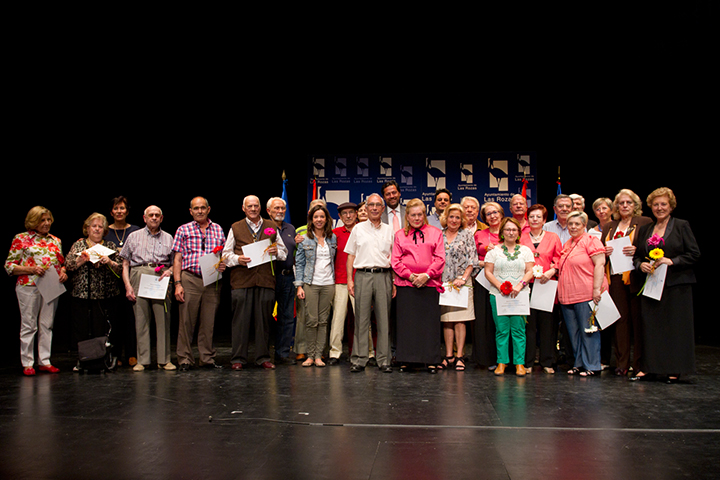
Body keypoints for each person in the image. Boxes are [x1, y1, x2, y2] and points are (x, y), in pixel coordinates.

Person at [632, 188, 700, 383]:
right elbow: (637, 256)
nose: (659, 208)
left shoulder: (681, 225)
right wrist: (640, 264)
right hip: (652, 285)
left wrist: (672, 261)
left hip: (676, 285)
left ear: (671, 206)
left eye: (663, 204)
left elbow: (694, 254)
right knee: (651, 327)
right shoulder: (646, 229)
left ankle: (675, 368)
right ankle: (650, 367)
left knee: (675, 328)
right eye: (655, 204)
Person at [223, 195, 287, 371]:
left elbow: (284, 253)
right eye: (249, 206)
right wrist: (238, 259)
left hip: (265, 280)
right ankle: (238, 358)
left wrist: (276, 251)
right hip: (242, 280)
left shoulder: (271, 226)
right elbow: (226, 255)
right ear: (243, 208)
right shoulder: (235, 227)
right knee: (240, 321)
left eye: (256, 205)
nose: (253, 209)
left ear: (260, 208)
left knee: (264, 321)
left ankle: (263, 357)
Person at [5, 206, 67, 376]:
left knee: (47, 324)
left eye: (48, 220)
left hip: (50, 285)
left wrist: (63, 272)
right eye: (42, 220)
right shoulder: (21, 238)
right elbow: (9, 266)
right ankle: (27, 362)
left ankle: (44, 361)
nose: (46, 223)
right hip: (28, 285)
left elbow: (61, 263)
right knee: (29, 324)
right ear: (33, 222)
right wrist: (31, 269)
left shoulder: (55, 240)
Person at [171, 197, 226, 371]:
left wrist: (223, 263)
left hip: (212, 279)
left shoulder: (217, 229)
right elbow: (177, 259)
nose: (200, 211)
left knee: (208, 321)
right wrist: (178, 283)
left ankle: (207, 358)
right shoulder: (183, 229)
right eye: (196, 208)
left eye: (203, 208)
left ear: (209, 209)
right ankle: (185, 359)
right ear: (191, 211)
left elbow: (223, 254)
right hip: (190, 277)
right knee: (186, 320)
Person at [601, 189, 651, 377]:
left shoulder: (644, 222)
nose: (624, 206)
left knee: (638, 321)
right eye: (621, 203)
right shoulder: (609, 226)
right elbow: (600, 249)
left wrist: (637, 249)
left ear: (635, 205)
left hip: (637, 276)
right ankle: (622, 363)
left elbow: (652, 246)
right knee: (620, 322)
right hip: (614, 277)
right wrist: (604, 251)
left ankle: (639, 364)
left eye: (628, 203)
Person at [392, 199, 445, 373]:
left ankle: (430, 359)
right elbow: (396, 261)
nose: (416, 218)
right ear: (407, 216)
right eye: (413, 215)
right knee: (407, 324)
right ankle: (407, 359)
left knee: (429, 325)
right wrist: (411, 276)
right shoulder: (400, 235)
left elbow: (440, 258)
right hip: (406, 285)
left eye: (419, 214)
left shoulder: (435, 232)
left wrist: (426, 275)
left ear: (424, 215)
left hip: (429, 284)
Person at [120, 205, 175, 372]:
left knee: (162, 319)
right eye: (150, 215)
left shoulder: (168, 237)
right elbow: (125, 263)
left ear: (162, 218)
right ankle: (143, 360)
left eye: (157, 215)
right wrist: (128, 285)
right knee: (141, 319)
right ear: (144, 218)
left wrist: (170, 272)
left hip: (161, 275)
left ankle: (164, 360)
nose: (154, 217)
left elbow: (175, 262)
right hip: (139, 272)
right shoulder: (133, 236)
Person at [65, 213, 122, 372]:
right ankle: (83, 360)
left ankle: (102, 360)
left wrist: (109, 261)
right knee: (82, 330)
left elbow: (120, 269)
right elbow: (68, 265)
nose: (97, 229)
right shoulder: (79, 245)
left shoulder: (110, 246)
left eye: (100, 226)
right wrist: (81, 260)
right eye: (94, 226)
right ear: (87, 228)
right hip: (82, 295)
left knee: (102, 330)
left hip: (106, 295)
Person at [345, 193, 394, 373]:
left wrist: (394, 282)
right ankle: (359, 359)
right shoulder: (357, 229)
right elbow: (350, 255)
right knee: (361, 319)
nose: (374, 208)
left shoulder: (389, 230)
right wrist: (350, 280)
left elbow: (394, 258)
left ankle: (384, 360)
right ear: (366, 208)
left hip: (384, 276)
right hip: (363, 276)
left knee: (383, 320)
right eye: (370, 205)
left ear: (383, 208)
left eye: (377, 205)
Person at [557, 211, 608, 377]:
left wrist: (596, 290)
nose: (573, 227)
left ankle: (592, 365)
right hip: (567, 295)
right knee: (573, 333)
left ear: (584, 225)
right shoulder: (568, 243)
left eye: (577, 224)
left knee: (589, 331)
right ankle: (579, 364)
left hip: (586, 293)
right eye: (570, 224)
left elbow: (600, 265)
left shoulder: (592, 241)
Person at [484, 217, 534, 376]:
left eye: (514, 230)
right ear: (502, 232)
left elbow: (530, 271)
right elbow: (488, 272)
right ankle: (502, 362)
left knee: (519, 330)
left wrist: (520, 285)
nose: (511, 232)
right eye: (507, 229)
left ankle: (520, 363)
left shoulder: (525, 250)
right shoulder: (494, 251)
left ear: (518, 233)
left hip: (520, 295)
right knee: (502, 330)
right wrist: (500, 287)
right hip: (498, 295)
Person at [520, 204, 562, 373]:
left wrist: (552, 270)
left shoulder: (553, 237)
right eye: (531, 217)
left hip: (547, 284)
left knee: (547, 325)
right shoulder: (521, 237)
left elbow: (559, 258)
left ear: (545, 220)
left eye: (538, 217)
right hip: (526, 286)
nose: (535, 219)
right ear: (527, 219)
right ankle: (528, 362)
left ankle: (547, 361)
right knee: (528, 326)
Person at [295, 204, 337, 367]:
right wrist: (299, 286)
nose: (319, 220)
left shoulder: (332, 238)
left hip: (328, 284)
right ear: (311, 220)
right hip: (310, 284)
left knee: (323, 321)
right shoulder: (305, 238)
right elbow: (299, 263)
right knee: (311, 320)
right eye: (316, 217)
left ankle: (319, 355)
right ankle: (310, 355)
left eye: (322, 216)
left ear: (326, 219)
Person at [438, 203, 479, 371]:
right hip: (444, 283)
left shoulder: (467, 235)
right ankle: (448, 356)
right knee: (447, 321)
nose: (454, 220)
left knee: (460, 321)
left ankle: (460, 356)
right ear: (445, 218)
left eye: (457, 217)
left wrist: (463, 278)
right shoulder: (438, 235)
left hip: (462, 283)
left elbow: (473, 260)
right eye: (451, 217)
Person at [104, 196, 140, 367]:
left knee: (132, 318)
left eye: (122, 208)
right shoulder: (105, 231)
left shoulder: (135, 230)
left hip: (132, 278)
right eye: (116, 208)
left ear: (127, 210)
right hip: (111, 280)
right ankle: (116, 354)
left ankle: (132, 354)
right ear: (111, 212)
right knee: (114, 319)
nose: (119, 211)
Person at [471, 201, 504, 369]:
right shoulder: (479, 234)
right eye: (488, 214)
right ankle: (486, 358)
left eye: (495, 212)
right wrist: (487, 261)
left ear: (501, 213)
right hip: (484, 281)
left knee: (503, 321)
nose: (493, 216)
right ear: (484, 217)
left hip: (506, 281)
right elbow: (472, 259)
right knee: (485, 321)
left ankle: (505, 359)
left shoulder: (510, 231)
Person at [292, 199, 325, 363]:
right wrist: (299, 284)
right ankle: (301, 349)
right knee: (304, 316)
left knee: (321, 317)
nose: (318, 217)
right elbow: (297, 259)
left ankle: (319, 350)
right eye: (314, 212)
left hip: (325, 282)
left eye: (321, 212)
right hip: (307, 280)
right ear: (310, 215)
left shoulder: (330, 234)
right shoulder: (300, 232)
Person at [266, 197, 297, 366]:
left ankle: (283, 353)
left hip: (287, 277)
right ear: (268, 211)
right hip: (269, 277)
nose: (280, 211)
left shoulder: (290, 228)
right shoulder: (263, 228)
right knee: (265, 316)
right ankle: (263, 353)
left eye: (282, 208)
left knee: (286, 317)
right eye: (276, 208)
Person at [328, 202, 358, 365]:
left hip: (359, 280)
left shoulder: (362, 231)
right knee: (338, 318)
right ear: (339, 217)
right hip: (339, 281)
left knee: (362, 318)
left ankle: (367, 352)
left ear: (356, 214)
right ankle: (335, 352)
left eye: (351, 213)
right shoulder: (334, 233)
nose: (348, 216)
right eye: (344, 213)